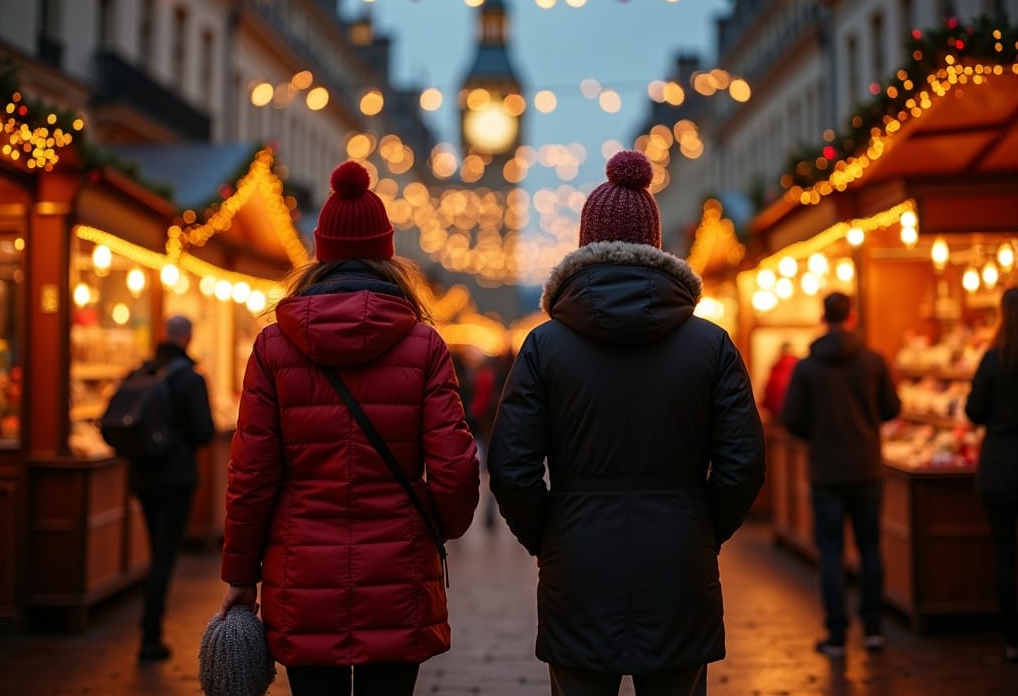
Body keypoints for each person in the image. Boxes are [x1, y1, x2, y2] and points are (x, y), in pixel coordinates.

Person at [488, 149, 766, 696]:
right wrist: (700, 526)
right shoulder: (710, 344)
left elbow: (511, 467)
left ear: (585, 244)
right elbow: (744, 464)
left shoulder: (545, 345)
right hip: (680, 559)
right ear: (656, 244)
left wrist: (549, 534)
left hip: (578, 562)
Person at [218, 160, 480, 696]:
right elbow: (455, 467)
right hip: (400, 567)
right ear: (386, 250)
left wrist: (240, 575)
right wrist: (439, 528)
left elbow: (251, 476)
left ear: (321, 251)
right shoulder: (424, 344)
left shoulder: (274, 345)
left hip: (302, 572)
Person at [781, 291, 901, 658]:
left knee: (831, 553)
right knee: (869, 549)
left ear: (824, 318)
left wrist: (819, 435)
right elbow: (891, 408)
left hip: (826, 471)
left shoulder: (807, 367)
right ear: (851, 317)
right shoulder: (873, 361)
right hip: (867, 467)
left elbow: (792, 420)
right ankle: (874, 630)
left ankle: (836, 635)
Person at [131, 314, 216, 662]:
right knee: (165, 555)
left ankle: (150, 628)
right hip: (176, 479)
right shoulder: (190, 379)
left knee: (157, 553)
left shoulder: (143, 371)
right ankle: (150, 635)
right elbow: (204, 432)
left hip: (143, 477)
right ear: (189, 337)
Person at [965, 286, 1018, 663]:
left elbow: (974, 411)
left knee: (1004, 554)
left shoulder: (993, 361)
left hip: (999, 467)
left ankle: (1012, 639)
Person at [761, 341, 798, 420]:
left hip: (776, 415)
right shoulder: (798, 367)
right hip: (794, 414)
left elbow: (769, 392)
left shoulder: (776, 368)